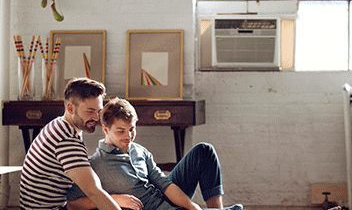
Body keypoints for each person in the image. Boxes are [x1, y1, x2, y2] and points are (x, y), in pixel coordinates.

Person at [66, 97, 243, 210]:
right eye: (121, 131)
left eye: (132, 129)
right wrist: (113, 199)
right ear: (105, 129)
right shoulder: (95, 164)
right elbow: (72, 202)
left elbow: (163, 183)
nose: (129, 136)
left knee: (204, 151)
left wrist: (191, 206)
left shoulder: (139, 150)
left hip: (164, 198)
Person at [19, 78, 122, 210]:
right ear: (70, 108)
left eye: (98, 111)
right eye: (90, 111)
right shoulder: (67, 140)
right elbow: (94, 192)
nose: (96, 118)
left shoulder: (58, 124)